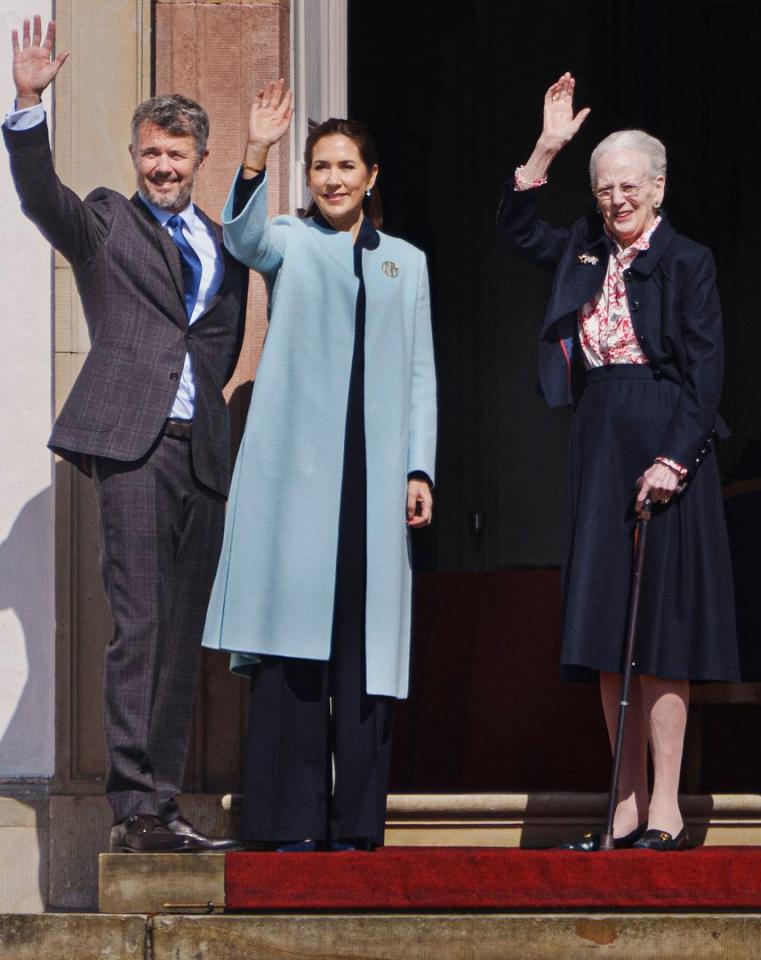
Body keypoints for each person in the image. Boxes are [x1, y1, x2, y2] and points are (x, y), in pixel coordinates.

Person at [3, 16, 247, 852]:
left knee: (180, 636)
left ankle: (165, 805)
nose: (164, 166)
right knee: (139, 625)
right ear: (137, 156)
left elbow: (214, 342)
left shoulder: (222, 244)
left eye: (178, 155)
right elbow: (43, 199)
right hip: (131, 447)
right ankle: (133, 810)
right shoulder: (108, 222)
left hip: (200, 453)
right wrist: (28, 103)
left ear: (199, 160)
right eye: (152, 153)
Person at [496, 73, 738, 851]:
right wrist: (545, 149)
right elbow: (512, 225)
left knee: (662, 631)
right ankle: (625, 805)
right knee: (606, 627)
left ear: (658, 188)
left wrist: (675, 458)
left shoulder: (690, 260)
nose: (615, 200)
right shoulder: (583, 247)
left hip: (669, 440)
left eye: (628, 187)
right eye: (604, 188)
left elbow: (707, 373)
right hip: (600, 434)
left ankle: (667, 805)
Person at [201, 80, 436, 851]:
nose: (332, 178)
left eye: (346, 166)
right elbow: (241, 240)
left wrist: (419, 469)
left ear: (372, 177)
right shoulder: (289, 240)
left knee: (362, 660)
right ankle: (288, 824)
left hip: (374, 485)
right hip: (300, 484)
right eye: (320, 167)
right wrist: (256, 150)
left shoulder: (407, 262)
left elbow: (419, 377)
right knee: (295, 652)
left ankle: (357, 829)